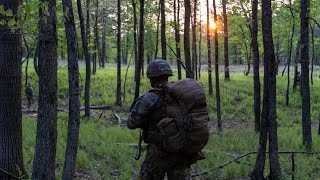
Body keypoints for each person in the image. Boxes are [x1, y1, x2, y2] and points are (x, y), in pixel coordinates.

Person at [127, 59, 204, 180]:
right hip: (181, 149)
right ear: (168, 76)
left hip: (159, 151)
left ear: (151, 78)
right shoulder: (180, 96)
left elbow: (131, 124)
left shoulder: (147, 99)